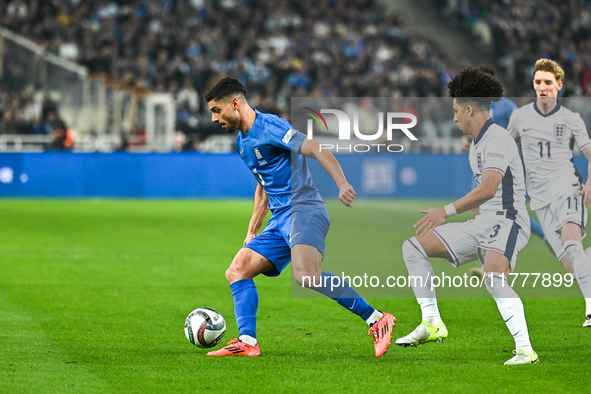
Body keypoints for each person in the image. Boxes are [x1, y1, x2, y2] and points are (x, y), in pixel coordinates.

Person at [203, 77, 395, 357]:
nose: (213, 118)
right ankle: (247, 342)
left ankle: (378, 319)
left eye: (216, 110)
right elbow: (263, 186)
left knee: (306, 275)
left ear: (235, 103)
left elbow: (317, 148)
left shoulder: (271, 127)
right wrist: (252, 230)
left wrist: (342, 183)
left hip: (304, 209)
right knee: (237, 271)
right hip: (279, 218)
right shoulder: (243, 143)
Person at [395, 67, 538, 365]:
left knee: (495, 276)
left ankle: (525, 350)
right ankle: (432, 322)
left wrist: (445, 212)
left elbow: (488, 188)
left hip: (509, 219)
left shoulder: (497, 138)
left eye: (456, 110)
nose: (454, 117)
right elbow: (483, 193)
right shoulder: (477, 144)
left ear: (470, 109)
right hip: (486, 221)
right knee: (414, 247)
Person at [507, 58, 591, 328]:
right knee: (571, 264)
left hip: (568, 190)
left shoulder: (571, 119)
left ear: (559, 86)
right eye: (538, 82)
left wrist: (589, 183)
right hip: (540, 202)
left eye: (548, 83)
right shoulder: (519, 118)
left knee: (572, 244)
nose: (542, 87)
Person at [464, 66, 549, 280]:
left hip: (503, 166)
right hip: (482, 166)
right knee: (480, 211)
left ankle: (490, 263)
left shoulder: (506, 106)